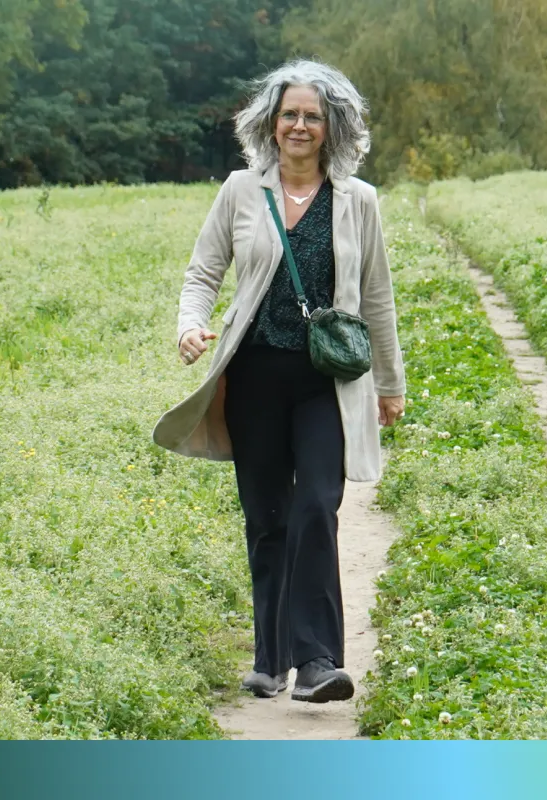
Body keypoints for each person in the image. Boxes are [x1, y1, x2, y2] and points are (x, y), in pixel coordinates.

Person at [151, 60, 406, 704]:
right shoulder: (241, 190)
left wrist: (389, 383)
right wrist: (190, 327)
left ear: (331, 127)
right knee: (267, 518)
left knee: (318, 505)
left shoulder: (359, 201)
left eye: (312, 116)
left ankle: (318, 660)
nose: (299, 125)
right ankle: (269, 658)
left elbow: (376, 297)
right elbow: (202, 273)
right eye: (289, 114)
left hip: (328, 380)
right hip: (255, 375)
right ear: (270, 121)